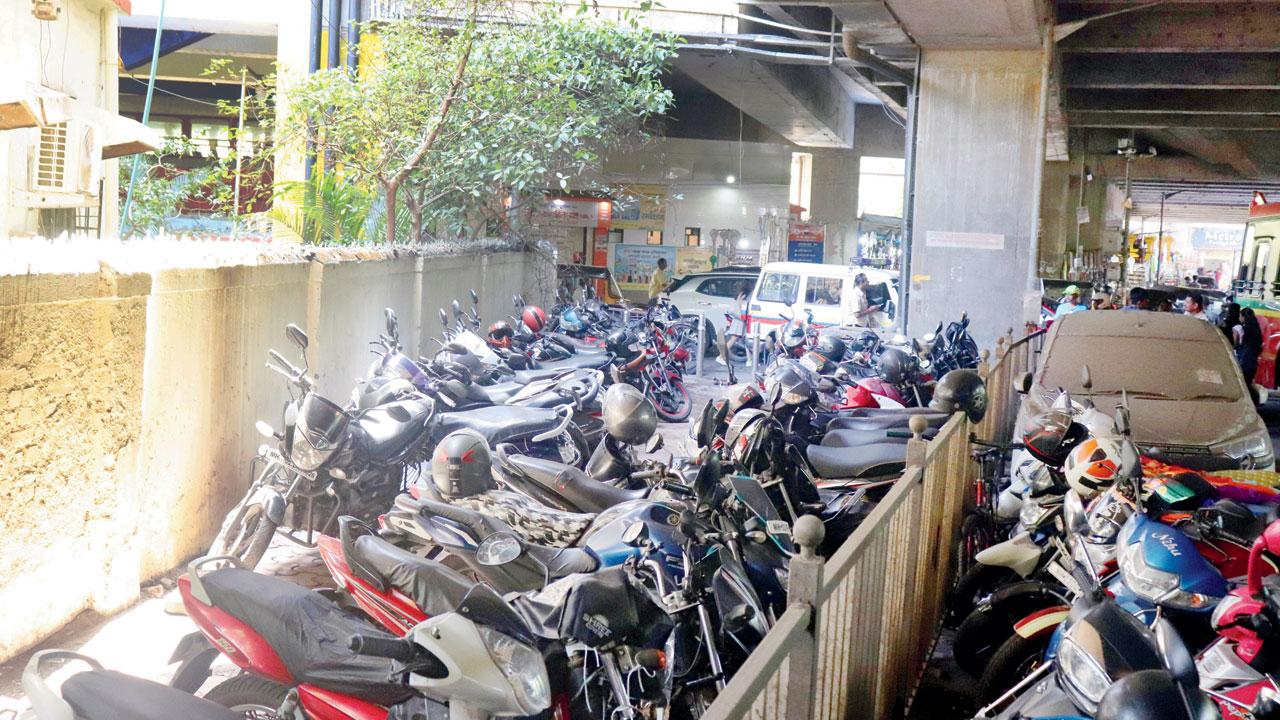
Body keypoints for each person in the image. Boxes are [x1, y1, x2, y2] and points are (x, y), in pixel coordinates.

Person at [1239, 307, 1263, 385]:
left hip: (1246, 362)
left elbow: (1243, 345)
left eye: (1240, 316)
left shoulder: (1246, 329)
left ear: (1244, 317)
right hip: (1253, 363)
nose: (1239, 318)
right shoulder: (1257, 329)